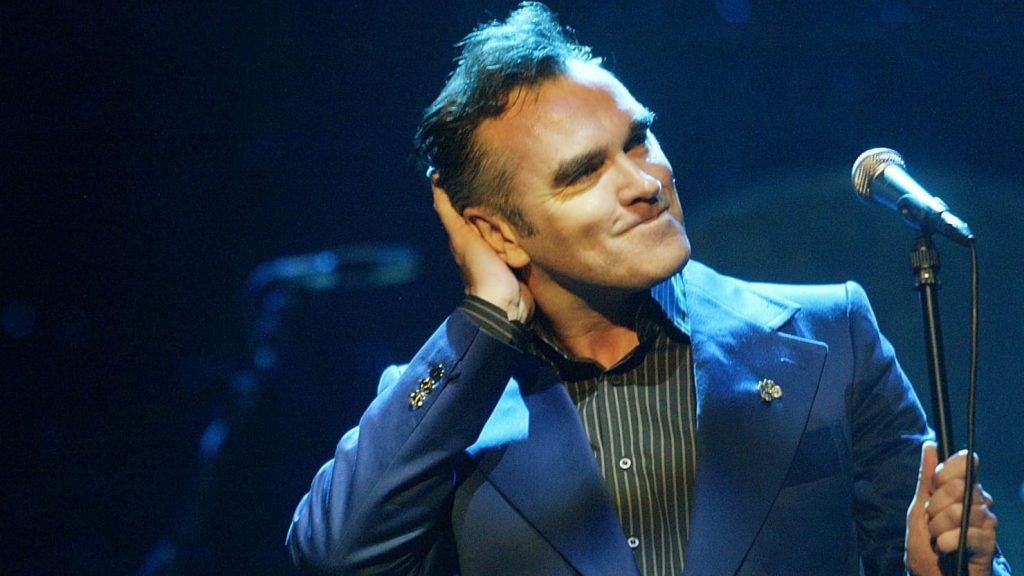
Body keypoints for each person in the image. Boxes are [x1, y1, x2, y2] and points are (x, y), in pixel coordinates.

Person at [286, 3, 1009, 574]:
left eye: (638, 140)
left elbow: (940, 557)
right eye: (583, 172)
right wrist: (486, 318)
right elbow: (333, 556)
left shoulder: (831, 336)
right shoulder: (444, 411)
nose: (643, 182)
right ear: (498, 233)